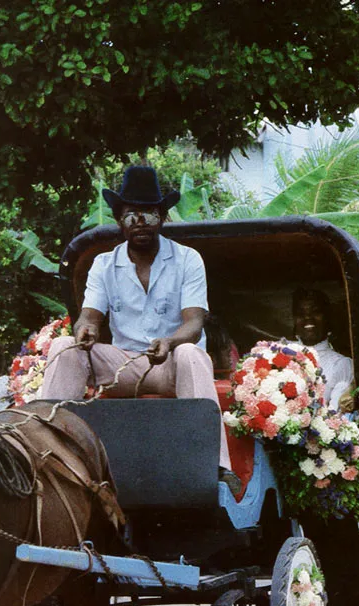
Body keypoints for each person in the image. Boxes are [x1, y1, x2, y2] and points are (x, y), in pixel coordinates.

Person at [40, 166, 233, 484]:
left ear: (162, 217)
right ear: (119, 220)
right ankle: (48, 453)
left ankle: (215, 466)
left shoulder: (188, 259)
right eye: (132, 214)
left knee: (193, 354)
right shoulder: (103, 264)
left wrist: (169, 342)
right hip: (123, 366)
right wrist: (84, 330)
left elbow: (195, 324)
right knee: (64, 346)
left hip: (171, 364)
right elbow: (88, 318)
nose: (140, 222)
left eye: (149, 213)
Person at [292, 287, 354, 411]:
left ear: (327, 318)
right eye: (301, 313)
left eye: (315, 312)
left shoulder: (341, 364)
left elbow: (335, 414)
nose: (308, 317)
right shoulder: (279, 353)